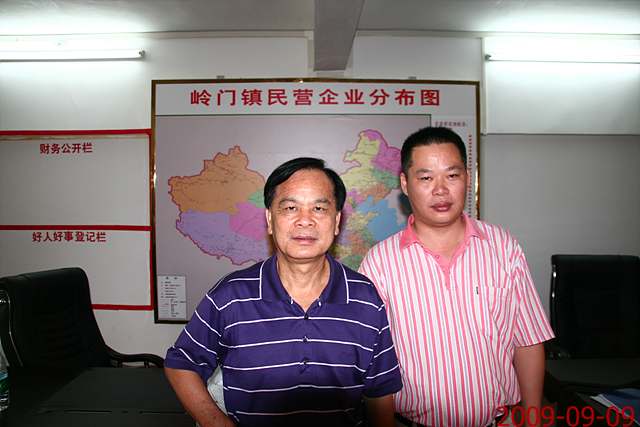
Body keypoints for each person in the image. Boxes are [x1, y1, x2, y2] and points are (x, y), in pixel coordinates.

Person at [165, 157, 403, 427]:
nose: (305, 221)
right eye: (291, 208)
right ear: (270, 219)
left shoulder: (365, 298)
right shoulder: (231, 296)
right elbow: (182, 363)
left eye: (319, 208)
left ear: (337, 221)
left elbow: (380, 390)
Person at [358, 127, 555, 427]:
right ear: (405, 184)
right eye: (426, 178)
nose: (440, 190)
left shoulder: (503, 247)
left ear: (467, 177)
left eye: (452, 175)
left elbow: (527, 341)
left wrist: (533, 420)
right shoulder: (380, 262)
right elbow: (374, 362)